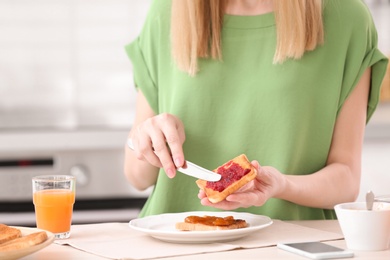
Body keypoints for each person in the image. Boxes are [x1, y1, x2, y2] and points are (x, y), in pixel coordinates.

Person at [124, 0, 388, 220]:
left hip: (289, 247)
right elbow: (137, 176)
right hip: (171, 245)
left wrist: (282, 185)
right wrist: (148, 140)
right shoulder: (167, 11)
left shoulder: (347, 18)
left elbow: (346, 179)